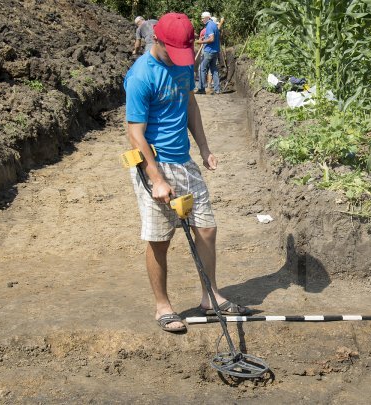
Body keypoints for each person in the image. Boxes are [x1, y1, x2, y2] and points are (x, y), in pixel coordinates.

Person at [124, 12, 250, 334]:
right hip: (154, 163)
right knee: (159, 239)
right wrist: (157, 180)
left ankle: (210, 296)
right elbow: (135, 133)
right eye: (173, 52)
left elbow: (190, 104)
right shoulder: (141, 76)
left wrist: (204, 148)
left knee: (206, 228)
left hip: (184, 160)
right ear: (157, 40)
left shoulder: (182, 62)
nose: (181, 60)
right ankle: (163, 307)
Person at [195, 11, 221, 94]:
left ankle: (201, 89)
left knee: (202, 69)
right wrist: (204, 38)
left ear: (208, 18)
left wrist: (200, 42)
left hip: (209, 51)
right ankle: (217, 90)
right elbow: (211, 37)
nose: (202, 20)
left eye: (203, 18)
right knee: (214, 70)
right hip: (215, 51)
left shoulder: (209, 26)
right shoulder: (214, 25)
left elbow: (211, 39)